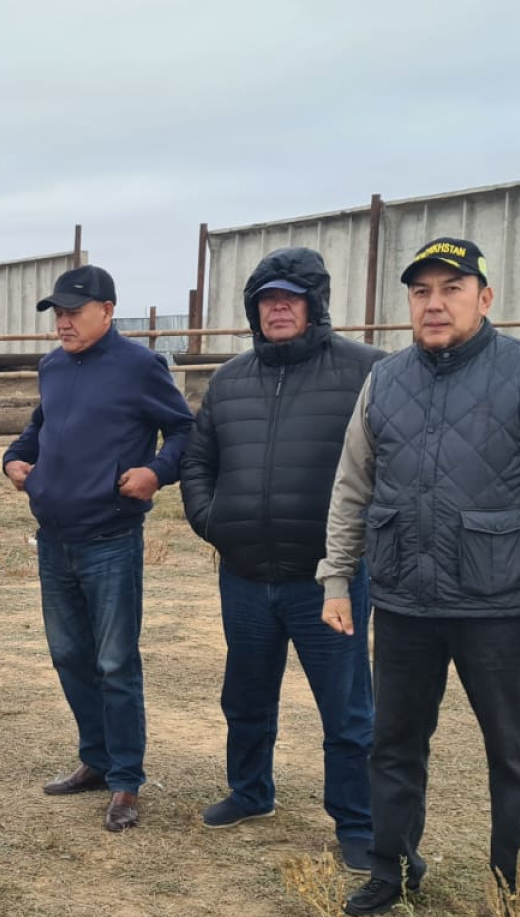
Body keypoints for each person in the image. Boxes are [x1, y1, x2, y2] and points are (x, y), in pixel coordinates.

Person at [318, 238, 520, 917]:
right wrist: (337, 575)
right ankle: (392, 869)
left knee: (516, 757)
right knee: (394, 746)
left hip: (496, 603)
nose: (435, 304)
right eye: (422, 292)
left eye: (452, 288)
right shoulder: (385, 380)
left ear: (485, 297)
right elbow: (353, 485)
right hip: (405, 602)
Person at [179, 248, 383, 869]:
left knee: (346, 708)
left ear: (315, 304)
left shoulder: (368, 371)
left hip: (328, 580)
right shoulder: (230, 379)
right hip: (245, 575)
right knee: (245, 696)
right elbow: (198, 460)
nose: (278, 309)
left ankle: (357, 821)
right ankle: (250, 791)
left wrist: (363, 542)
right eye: (267, 299)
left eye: (291, 298)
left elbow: (394, 460)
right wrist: (213, 520)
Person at [2, 265, 194, 832]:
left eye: (74, 312)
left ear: (107, 311)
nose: (63, 323)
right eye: (58, 314)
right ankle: (96, 758)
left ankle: (126, 780)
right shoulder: (53, 367)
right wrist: (14, 458)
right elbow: (39, 427)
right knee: (69, 655)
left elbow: (185, 430)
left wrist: (156, 472)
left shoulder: (140, 366)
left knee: (115, 661)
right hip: (54, 539)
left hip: (110, 538)